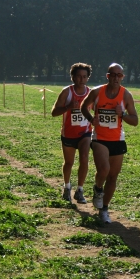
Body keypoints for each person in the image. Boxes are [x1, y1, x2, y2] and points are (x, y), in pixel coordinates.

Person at [80, 63, 138, 223]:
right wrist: (92, 119)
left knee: (113, 177)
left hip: (117, 139)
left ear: (122, 77)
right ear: (108, 76)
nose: (116, 78)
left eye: (119, 75)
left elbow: (135, 120)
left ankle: (104, 209)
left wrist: (123, 114)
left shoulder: (126, 95)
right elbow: (83, 106)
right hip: (99, 138)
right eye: (113, 74)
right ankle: (98, 188)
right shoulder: (97, 92)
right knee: (104, 169)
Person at [51, 63, 93, 204]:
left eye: (84, 77)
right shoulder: (66, 92)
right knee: (69, 162)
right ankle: (67, 187)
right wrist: (69, 107)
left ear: (88, 78)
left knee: (84, 159)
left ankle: (80, 190)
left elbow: (98, 110)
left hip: (85, 133)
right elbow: (54, 112)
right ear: (73, 77)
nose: (81, 79)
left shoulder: (91, 93)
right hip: (68, 133)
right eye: (79, 76)